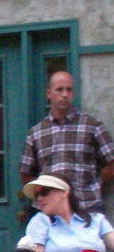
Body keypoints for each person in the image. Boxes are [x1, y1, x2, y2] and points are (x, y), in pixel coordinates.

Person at [20, 71, 114, 215]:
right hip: (50, 214)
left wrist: (95, 185)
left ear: (73, 94)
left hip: (87, 208)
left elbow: (112, 162)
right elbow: (26, 174)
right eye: (59, 89)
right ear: (49, 94)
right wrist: (45, 194)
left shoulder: (92, 126)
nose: (65, 94)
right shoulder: (36, 132)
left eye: (69, 90)